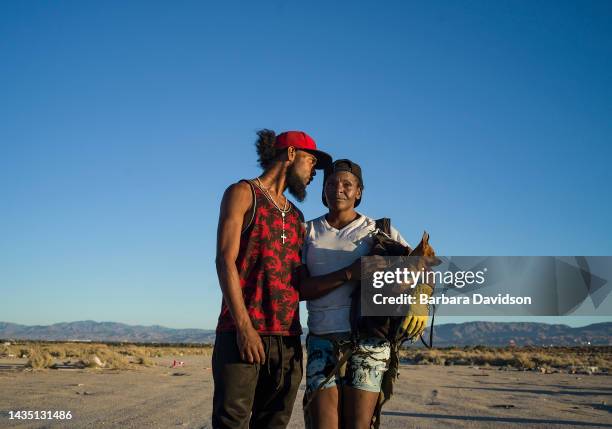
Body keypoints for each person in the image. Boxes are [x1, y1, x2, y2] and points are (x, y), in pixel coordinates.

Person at [212, 129, 331, 429]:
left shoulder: (297, 217)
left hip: (288, 342)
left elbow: (299, 286)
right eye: (310, 161)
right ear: (290, 154)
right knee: (231, 424)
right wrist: (244, 328)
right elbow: (224, 261)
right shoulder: (242, 193)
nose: (314, 171)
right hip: (241, 336)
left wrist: (356, 274)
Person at [299, 159, 427, 429]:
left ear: (359, 192)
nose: (338, 189)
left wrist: (421, 298)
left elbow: (423, 264)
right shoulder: (307, 232)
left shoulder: (379, 231)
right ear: (323, 191)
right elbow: (300, 289)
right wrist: (350, 273)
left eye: (347, 184)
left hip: (370, 341)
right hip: (322, 339)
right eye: (331, 184)